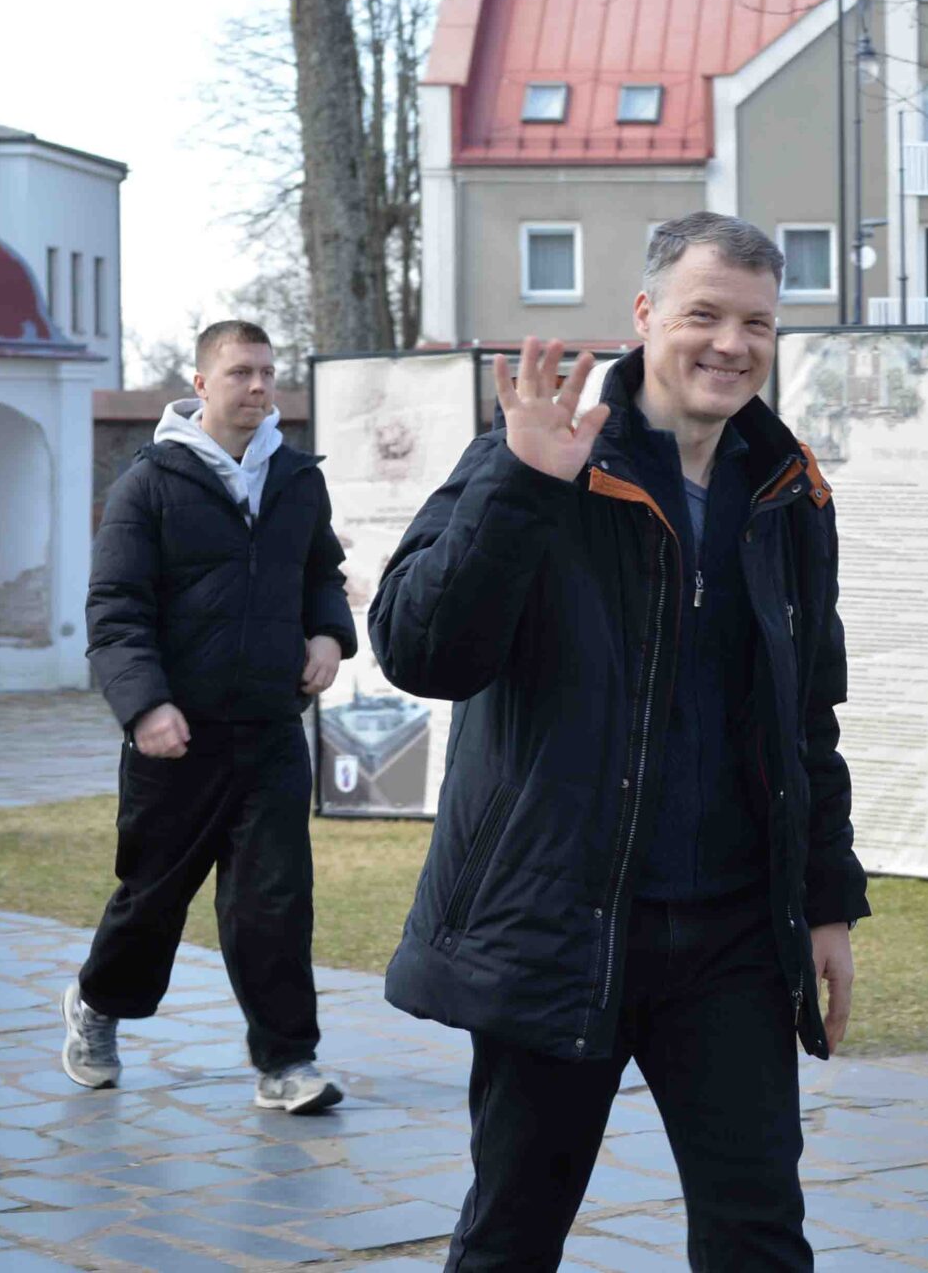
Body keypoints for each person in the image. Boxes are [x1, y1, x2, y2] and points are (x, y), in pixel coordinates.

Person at [371, 213, 867, 1269]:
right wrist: (522, 484)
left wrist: (826, 899)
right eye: (704, 315)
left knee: (759, 1237)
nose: (731, 344)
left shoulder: (787, 488)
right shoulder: (541, 457)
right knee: (513, 1233)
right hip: (563, 923)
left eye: (756, 323)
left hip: (732, 936)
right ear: (645, 315)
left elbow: (807, 718)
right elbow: (420, 651)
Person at [68, 319, 354, 1114]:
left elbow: (322, 573)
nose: (259, 386)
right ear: (201, 384)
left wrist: (328, 634)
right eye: (240, 373)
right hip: (175, 738)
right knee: (151, 899)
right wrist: (146, 706)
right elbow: (115, 609)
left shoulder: (297, 479)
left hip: (270, 730)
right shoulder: (149, 484)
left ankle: (287, 1062)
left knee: (275, 902)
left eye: (266, 372)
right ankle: (96, 1005)